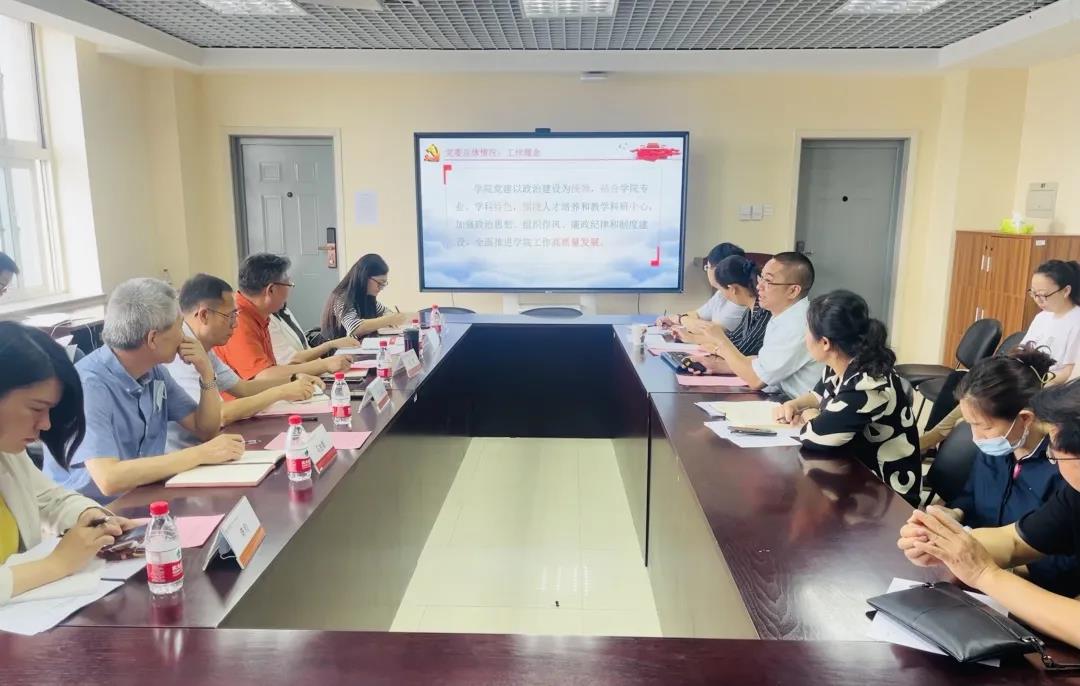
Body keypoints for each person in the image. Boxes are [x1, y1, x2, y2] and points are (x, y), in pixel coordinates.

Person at [898, 381, 1080, 650]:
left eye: (1055, 454)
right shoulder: (1075, 496)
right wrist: (943, 543)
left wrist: (984, 574)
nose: (1050, 459)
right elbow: (1016, 541)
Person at [42, 278, 244, 502]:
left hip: (141, 497)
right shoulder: (89, 386)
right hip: (89, 511)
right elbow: (109, 479)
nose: (184, 337)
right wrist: (200, 454)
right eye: (179, 327)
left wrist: (206, 372)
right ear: (153, 338)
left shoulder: (155, 372)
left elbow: (205, 429)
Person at [0, 322, 139, 604]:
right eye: (36, 408)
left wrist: (93, 517)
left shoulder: (8, 453)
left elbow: (51, 498)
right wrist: (57, 564)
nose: (46, 424)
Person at [938, 346, 1078, 595]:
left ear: (1025, 418)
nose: (976, 437)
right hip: (983, 573)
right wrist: (953, 517)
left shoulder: (1066, 468)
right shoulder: (995, 449)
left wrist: (991, 570)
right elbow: (976, 501)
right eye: (970, 425)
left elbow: (1062, 562)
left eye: (984, 427)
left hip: (1033, 589)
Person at [775, 290, 921, 505]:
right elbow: (819, 394)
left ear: (825, 343)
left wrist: (811, 415)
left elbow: (816, 436)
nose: (805, 337)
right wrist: (795, 404)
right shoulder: (843, 361)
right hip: (853, 473)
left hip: (886, 495)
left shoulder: (867, 384)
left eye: (807, 330)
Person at [920, 259, 1080, 453]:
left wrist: (1037, 380)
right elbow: (1024, 350)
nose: (1038, 300)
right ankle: (933, 437)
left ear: (1066, 290)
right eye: (1033, 294)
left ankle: (932, 439)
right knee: (969, 385)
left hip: (1045, 384)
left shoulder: (1076, 321)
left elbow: (1070, 372)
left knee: (984, 397)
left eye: (1043, 295)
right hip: (1024, 376)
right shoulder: (1042, 317)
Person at [165, 274, 328, 451]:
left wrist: (293, 379)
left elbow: (242, 388)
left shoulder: (202, 345)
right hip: (188, 453)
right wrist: (281, 392)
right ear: (204, 315)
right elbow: (220, 414)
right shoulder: (182, 353)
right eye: (230, 316)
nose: (235, 324)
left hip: (210, 446)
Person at [685, 252, 824, 399]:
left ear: (793, 291)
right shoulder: (783, 315)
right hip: (781, 398)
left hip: (796, 405)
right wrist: (718, 366)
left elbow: (756, 380)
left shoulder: (797, 324)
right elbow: (762, 364)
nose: (759, 286)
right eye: (761, 277)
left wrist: (721, 341)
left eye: (768, 281)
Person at [215, 253, 353, 381]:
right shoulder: (239, 320)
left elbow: (275, 367)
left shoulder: (260, 313)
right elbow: (263, 375)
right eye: (288, 284)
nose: (290, 291)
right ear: (271, 290)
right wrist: (324, 365)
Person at [676, 254, 770, 356]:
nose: (722, 295)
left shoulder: (764, 312)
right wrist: (690, 338)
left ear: (733, 289)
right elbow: (732, 339)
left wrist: (715, 348)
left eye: (721, 290)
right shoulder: (749, 311)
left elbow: (741, 350)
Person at [656, 242, 746, 331]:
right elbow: (698, 315)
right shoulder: (721, 293)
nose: (707, 271)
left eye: (707, 267)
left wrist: (680, 319)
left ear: (717, 270)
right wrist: (672, 319)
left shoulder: (740, 302)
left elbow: (711, 331)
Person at [321, 253, 410, 340]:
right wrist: (388, 320)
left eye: (383, 284)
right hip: (337, 348)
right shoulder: (341, 297)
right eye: (379, 283)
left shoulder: (366, 296)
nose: (381, 288)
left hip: (357, 345)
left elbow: (384, 311)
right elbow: (354, 328)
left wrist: (390, 317)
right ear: (364, 277)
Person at [269, 304, 355, 364]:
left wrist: (327, 366)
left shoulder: (284, 311)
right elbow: (291, 359)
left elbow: (306, 348)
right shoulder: (269, 321)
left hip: (309, 372)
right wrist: (330, 346)